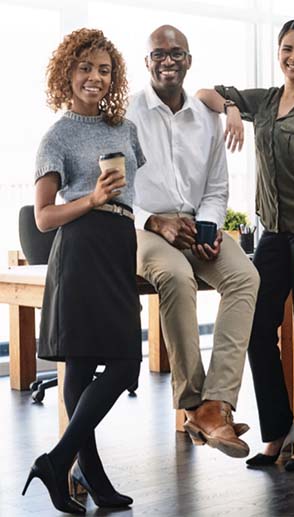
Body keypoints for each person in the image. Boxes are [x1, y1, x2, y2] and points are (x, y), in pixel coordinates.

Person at [196, 19, 294, 471]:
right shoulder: (267, 100)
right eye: (286, 49)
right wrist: (234, 110)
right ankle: (277, 430)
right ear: (278, 53)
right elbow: (205, 93)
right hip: (273, 234)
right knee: (258, 330)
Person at [23, 29, 143, 513]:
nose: (95, 77)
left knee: (110, 360)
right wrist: (91, 198)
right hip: (80, 246)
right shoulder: (58, 136)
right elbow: (43, 217)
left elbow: (134, 191)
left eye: (104, 69)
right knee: (105, 362)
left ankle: (73, 467)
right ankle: (75, 466)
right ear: (67, 73)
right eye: (85, 68)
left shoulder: (125, 129)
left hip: (119, 243)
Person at [126, 25, 259, 459]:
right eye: (158, 54)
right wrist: (155, 222)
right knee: (177, 277)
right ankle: (192, 403)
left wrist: (208, 225)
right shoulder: (126, 115)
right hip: (143, 227)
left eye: (176, 53)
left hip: (194, 224)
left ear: (188, 60)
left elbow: (217, 187)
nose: (167, 60)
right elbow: (115, 190)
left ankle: (216, 403)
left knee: (244, 276)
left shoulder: (207, 117)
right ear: (147, 62)